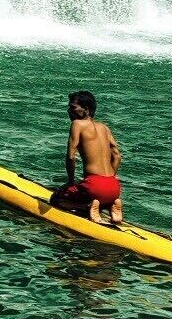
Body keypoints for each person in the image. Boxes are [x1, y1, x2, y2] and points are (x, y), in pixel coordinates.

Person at [51, 90, 123, 224]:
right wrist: (109, 177)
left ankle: (88, 206)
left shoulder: (77, 124)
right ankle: (111, 205)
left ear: (86, 109)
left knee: (56, 199)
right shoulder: (104, 127)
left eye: (73, 107)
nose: (69, 111)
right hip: (114, 186)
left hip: (94, 186)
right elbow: (117, 156)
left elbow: (71, 156)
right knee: (96, 192)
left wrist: (71, 182)